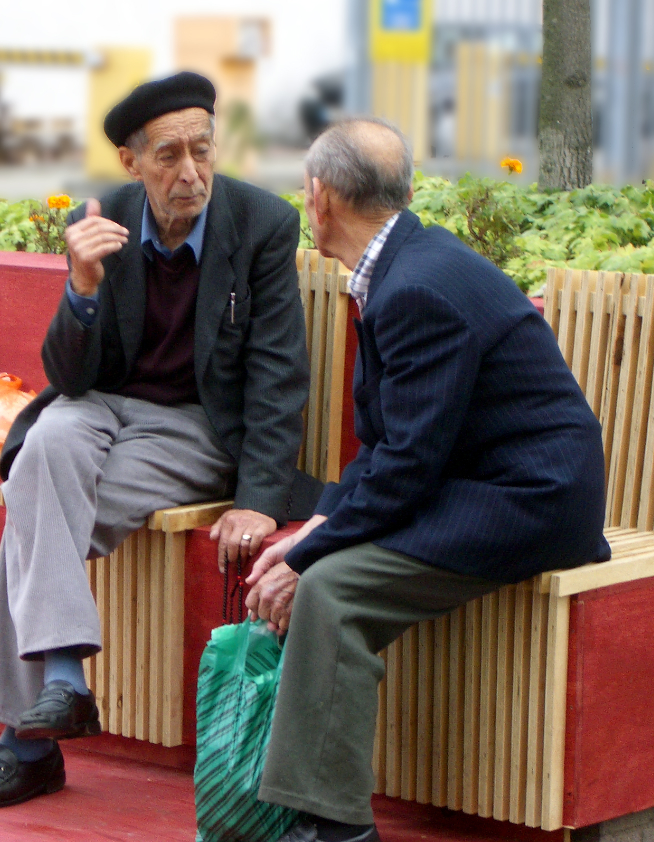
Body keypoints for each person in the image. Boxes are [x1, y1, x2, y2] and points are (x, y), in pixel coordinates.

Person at [0, 71, 318, 812]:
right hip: (100, 405)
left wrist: (258, 499)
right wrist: (81, 286)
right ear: (130, 162)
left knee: (33, 505)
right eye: (169, 156)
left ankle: (30, 737)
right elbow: (69, 374)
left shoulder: (261, 224)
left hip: (196, 425)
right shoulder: (102, 220)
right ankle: (62, 684)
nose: (190, 173)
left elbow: (278, 374)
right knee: (48, 445)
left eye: (202, 151)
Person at [244, 118, 611, 842]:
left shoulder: (417, 288)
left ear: (317, 198)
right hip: (476, 482)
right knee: (322, 561)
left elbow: (406, 465)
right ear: (404, 191)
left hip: (527, 500)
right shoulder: (405, 265)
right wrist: (316, 527)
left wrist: (308, 555)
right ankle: (319, 811)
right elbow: (389, 446)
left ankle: (335, 825)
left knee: (333, 590)